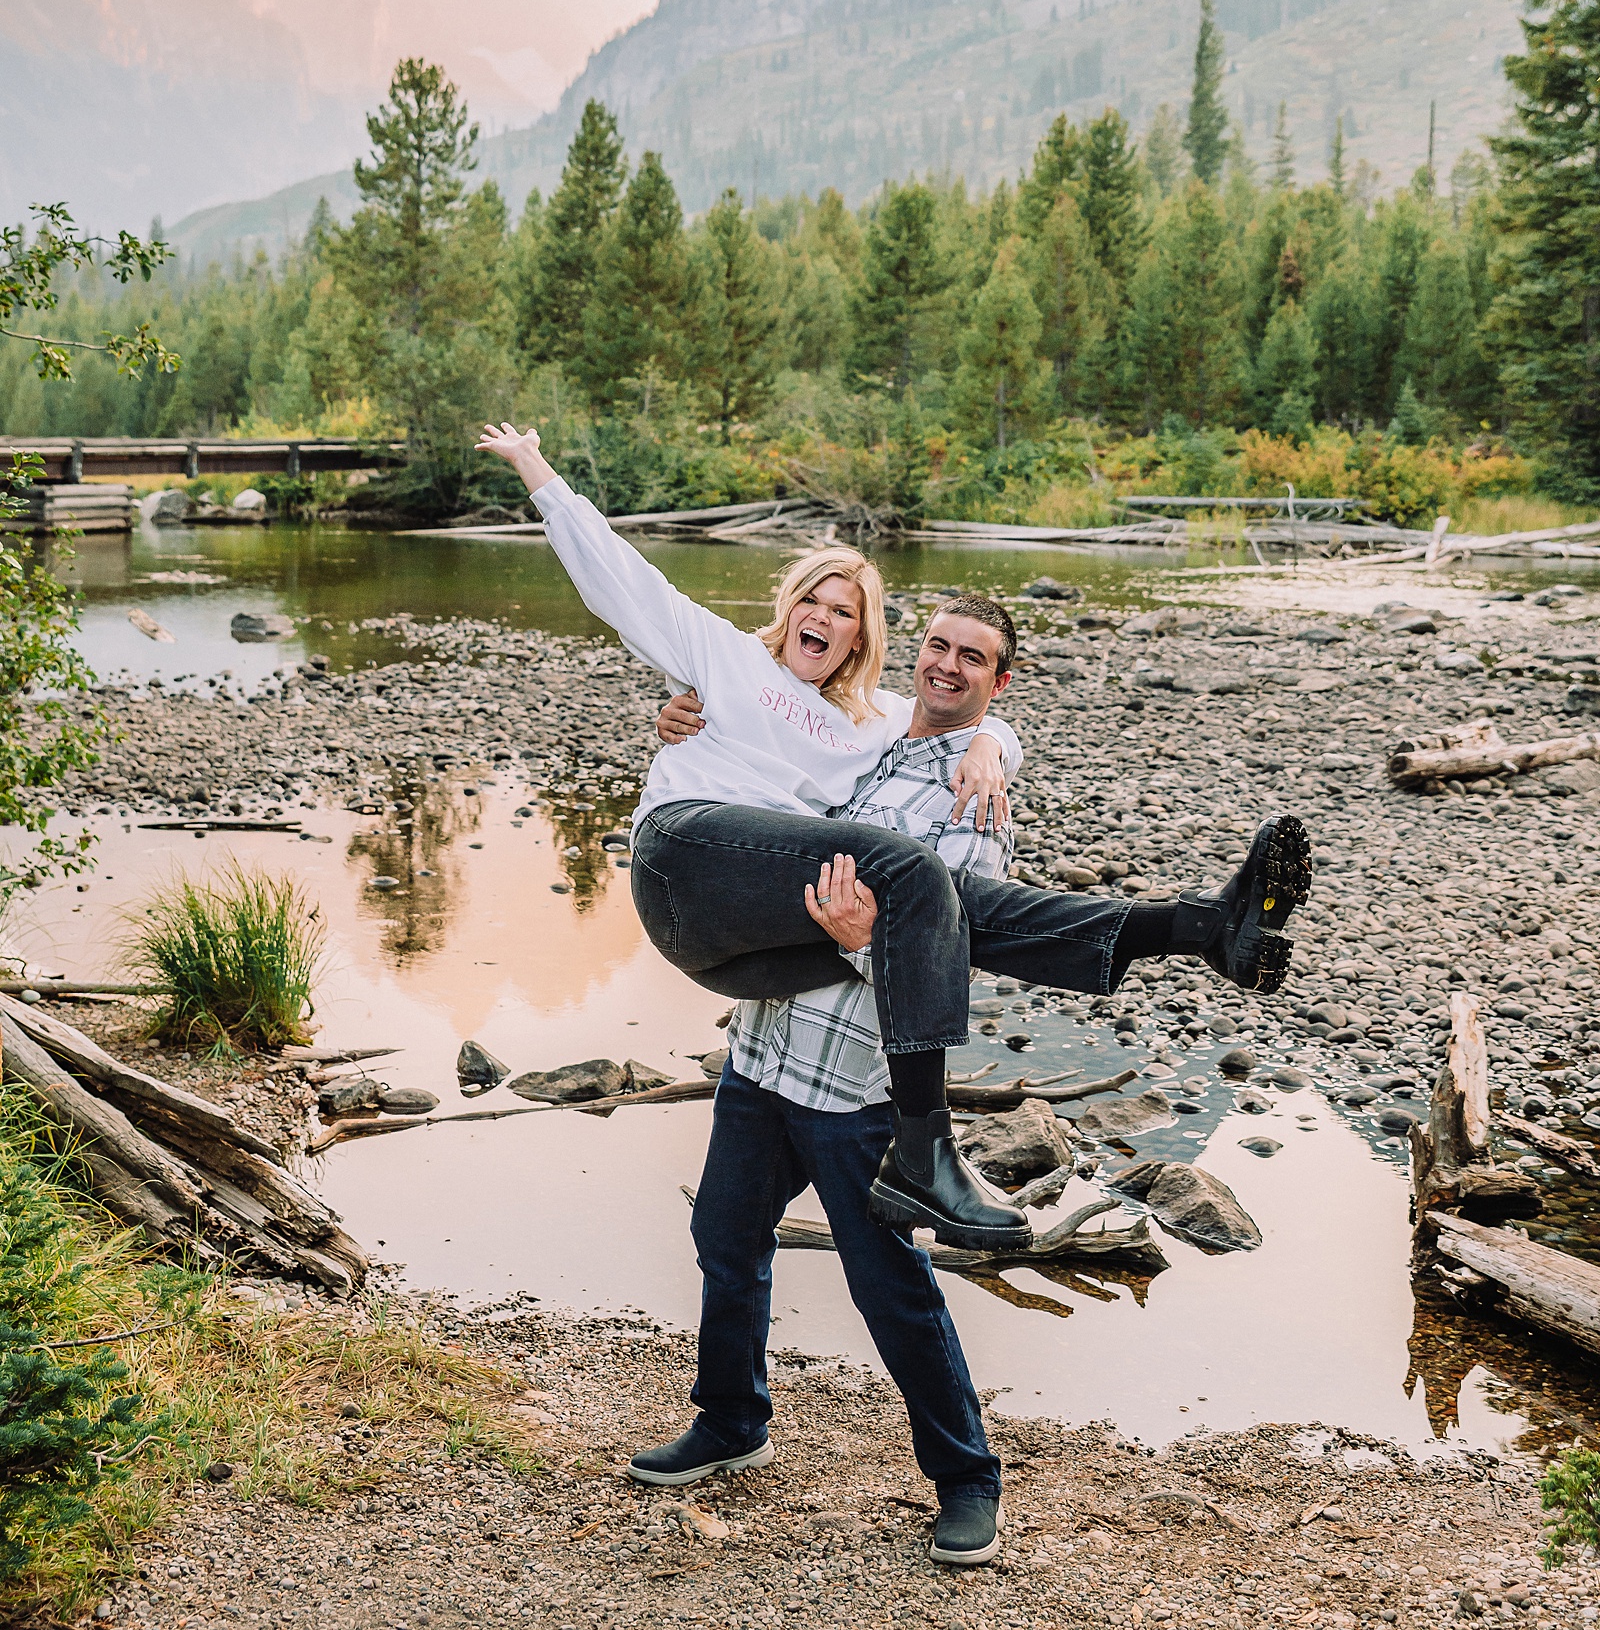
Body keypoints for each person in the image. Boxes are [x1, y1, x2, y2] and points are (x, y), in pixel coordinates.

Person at [475, 422, 1313, 1252]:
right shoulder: (723, 658)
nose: (823, 617)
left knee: (943, 900)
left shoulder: (867, 721)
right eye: (813, 599)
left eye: (845, 612)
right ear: (789, 604)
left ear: (861, 636)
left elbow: (961, 710)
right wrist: (534, 466)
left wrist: (996, 744)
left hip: (757, 942)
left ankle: (1200, 930)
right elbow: (619, 575)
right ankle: (924, 1147)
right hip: (687, 866)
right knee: (913, 871)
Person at [628, 593, 1068, 1569]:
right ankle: (733, 1419)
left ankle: (967, 1480)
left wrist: (863, 941)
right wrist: (682, 720)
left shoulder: (974, 804)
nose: (948, 667)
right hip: (765, 1053)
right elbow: (758, 765)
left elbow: (943, 960)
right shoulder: (860, 739)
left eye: (974, 660)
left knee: (888, 1285)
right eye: (938, 646)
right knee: (723, 1236)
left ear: (1000, 682)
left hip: (856, 1085)